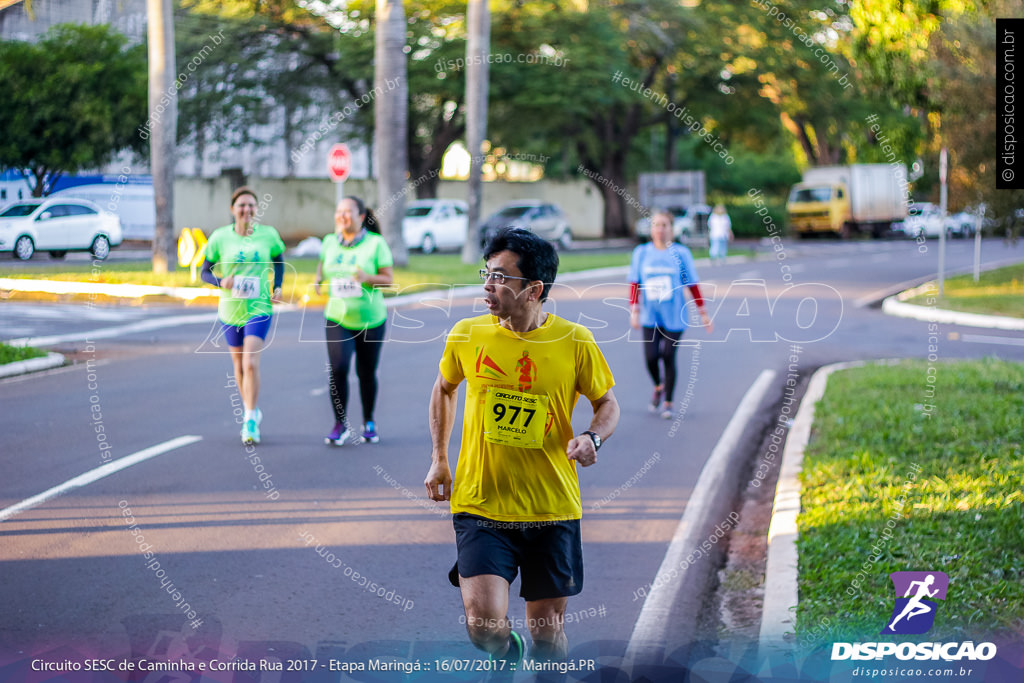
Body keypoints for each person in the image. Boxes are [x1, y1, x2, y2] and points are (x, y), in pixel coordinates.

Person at [424, 227, 620, 666]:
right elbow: (444, 388)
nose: (487, 286)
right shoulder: (467, 334)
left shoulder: (574, 341)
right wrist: (439, 458)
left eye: (499, 277)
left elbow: (607, 403)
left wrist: (592, 438)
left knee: (548, 636)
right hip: (481, 503)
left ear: (533, 289)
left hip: (551, 507)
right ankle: (506, 654)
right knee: (483, 625)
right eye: (486, 274)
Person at [201, 186, 286, 445]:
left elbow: (279, 261)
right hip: (230, 310)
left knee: (250, 363)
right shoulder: (219, 237)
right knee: (238, 367)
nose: (246, 210)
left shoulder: (268, 235)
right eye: (241, 205)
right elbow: (204, 272)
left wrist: (278, 286)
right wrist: (220, 282)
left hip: (259, 307)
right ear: (232, 209)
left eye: (251, 205)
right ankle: (252, 408)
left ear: (256, 209)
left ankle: (249, 419)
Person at [314, 196, 394, 446]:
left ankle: (368, 421)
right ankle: (340, 424)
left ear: (360, 217)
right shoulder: (329, 242)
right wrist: (318, 280)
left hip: (371, 320)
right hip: (338, 317)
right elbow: (322, 265)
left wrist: (366, 276)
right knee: (338, 369)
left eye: (348, 212)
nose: (342, 216)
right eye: (339, 211)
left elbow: (388, 279)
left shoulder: (375, 243)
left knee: (366, 372)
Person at [629, 210, 712, 419]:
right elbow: (634, 283)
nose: (660, 230)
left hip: (674, 315)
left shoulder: (681, 254)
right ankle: (658, 386)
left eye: (664, 225)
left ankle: (668, 402)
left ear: (671, 229)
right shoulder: (642, 253)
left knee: (668, 355)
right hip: (650, 315)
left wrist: (703, 313)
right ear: (651, 229)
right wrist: (634, 311)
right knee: (650, 357)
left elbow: (692, 284)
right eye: (656, 225)